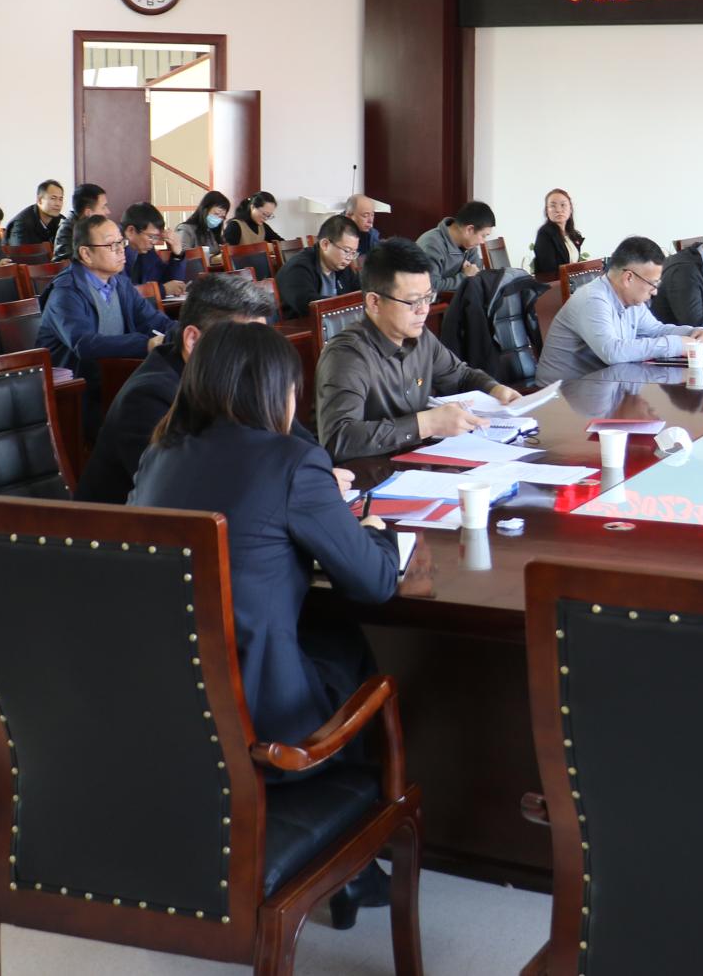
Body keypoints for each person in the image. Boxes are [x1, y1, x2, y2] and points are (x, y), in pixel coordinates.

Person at [128, 317, 408, 927]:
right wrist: (377, 534)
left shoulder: (159, 453)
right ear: (277, 391)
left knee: (321, 637)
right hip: (260, 725)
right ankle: (353, 854)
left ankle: (354, 866)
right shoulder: (293, 461)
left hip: (166, 713)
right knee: (350, 647)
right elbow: (375, 583)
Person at [78, 274, 279, 504]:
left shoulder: (237, 376)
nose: (255, 359)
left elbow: (290, 445)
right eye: (241, 345)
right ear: (192, 340)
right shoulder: (147, 398)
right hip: (128, 523)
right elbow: (184, 492)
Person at [313, 237, 520, 459]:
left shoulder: (421, 338)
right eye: (413, 302)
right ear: (374, 302)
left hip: (422, 461)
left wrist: (495, 389)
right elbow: (338, 438)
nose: (424, 310)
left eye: (428, 297)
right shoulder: (346, 356)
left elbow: (460, 376)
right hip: (371, 472)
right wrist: (426, 424)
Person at [38, 213, 177, 434]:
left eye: (121, 242)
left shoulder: (120, 283)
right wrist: (146, 344)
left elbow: (154, 320)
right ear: (86, 253)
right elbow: (85, 344)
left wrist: (184, 333)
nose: (121, 250)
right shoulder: (66, 292)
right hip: (78, 393)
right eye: (112, 245)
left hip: (115, 380)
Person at [537, 236, 703, 384]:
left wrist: (693, 332)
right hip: (561, 396)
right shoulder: (593, 300)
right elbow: (612, 352)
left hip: (600, 386)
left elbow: (655, 330)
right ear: (628, 278)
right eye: (653, 284)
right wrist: (676, 345)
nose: (655, 292)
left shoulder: (631, 301)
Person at [276, 214, 361, 319]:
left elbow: (358, 291)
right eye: (347, 251)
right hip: (302, 325)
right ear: (325, 244)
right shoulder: (298, 268)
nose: (350, 258)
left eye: (353, 253)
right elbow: (309, 305)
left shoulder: (342, 267)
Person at [416, 200, 494, 294]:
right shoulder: (432, 244)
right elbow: (431, 287)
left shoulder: (469, 245)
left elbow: (477, 274)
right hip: (432, 301)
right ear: (469, 229)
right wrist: (465, 277)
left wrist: (470, 275)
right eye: (483, 236)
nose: (483, 242)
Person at [121, 202, 187, 296]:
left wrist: (177, 255)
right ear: (131, 231)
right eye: (151, 237)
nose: (154, 242)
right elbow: (124, 293)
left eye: (157, 237)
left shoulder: (148, 253)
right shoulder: (115, 253)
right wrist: (163, 290)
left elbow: (170, 283)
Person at [529, 188, 587, 284]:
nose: (558, 210)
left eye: (563, 205)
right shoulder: (544, 234)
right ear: (547, 211)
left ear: (570, 209)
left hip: (571, 285)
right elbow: (549, 271)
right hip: (554, 287)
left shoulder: (574, 235)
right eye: (553, 206)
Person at [51, 183, 109, 263]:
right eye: (103, 207)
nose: (108, 212)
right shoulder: (67, 230)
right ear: (88, 213)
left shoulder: (95, 227)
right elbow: (70, 264)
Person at [4, 180, 65, 250]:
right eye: (53, 198)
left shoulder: (62, 221)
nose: (58, 204)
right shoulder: (22, 224)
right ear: (39, 200)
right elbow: (20, 254)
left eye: (60, 199)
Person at [345, 193, 381, 258]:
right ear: (349, 217)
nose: (370, 221)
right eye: (365, 215)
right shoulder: (337, 234)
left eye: (372, 215)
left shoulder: (372, 235)